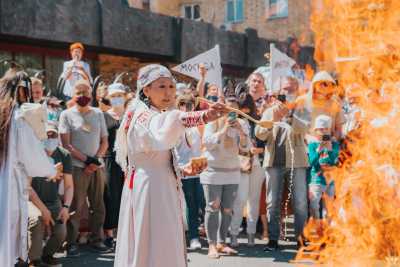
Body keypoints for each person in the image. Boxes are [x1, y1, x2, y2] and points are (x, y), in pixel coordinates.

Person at [113, 64, 227, 267]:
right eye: (161, 86)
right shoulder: (144, 115)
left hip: (157, 182)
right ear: (146, 90)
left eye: (171, 86)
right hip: (151, 188)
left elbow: (156, 151)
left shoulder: (149, 112)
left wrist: (182, 170)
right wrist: (205, 116)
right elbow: (167, 125)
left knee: (161, 237)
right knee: (156, 239)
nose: (168, 92)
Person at [0, 70, 58, 267]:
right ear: (22, 91)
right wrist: (51, 170)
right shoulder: (18, 119)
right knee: (7, 237)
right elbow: (32, 157)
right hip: (9, 186)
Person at [255, 77, 309, 251]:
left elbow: (305, 129)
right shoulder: (270, 111)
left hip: (297, 162)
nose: (286, 94)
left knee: (300, 201)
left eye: (289, 91)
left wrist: (290, 116)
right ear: (277, 95)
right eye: (282, 92)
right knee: (272, 202)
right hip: (274, 162)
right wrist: (271, 122)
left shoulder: (300, 109)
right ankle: (272, 239)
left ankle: (301, 239)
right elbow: (259, 134)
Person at [59, 79, 109, 256]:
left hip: (96, 167)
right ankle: (70, 242)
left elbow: (104, 141)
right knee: (76, 206)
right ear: (73, 95)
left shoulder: (98, 114)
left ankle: (97, 239)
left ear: (91, 95)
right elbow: (66, 145)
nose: (82, 96)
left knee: (98, 205)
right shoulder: (66, 115)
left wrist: (95, 161)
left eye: (85, 92)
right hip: (77, 167)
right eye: (78, 93)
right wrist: (88, 161)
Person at [201, 95, 249, 258]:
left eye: (233, 110)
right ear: (221, 108)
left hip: (232, 172)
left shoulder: (242, 124)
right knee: (213, 207)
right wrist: (223, 129)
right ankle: (212, 245)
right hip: (213, 171)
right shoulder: (212, 121)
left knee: (228, 210)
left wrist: (241, 132)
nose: (229, 113)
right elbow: (207, 143)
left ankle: (222, 243)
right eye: (227, 109)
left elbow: (245, 148)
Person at [28, 123, 74, 267]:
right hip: (33, 200)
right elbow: (27, 187)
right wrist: (43, 209)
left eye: (53, 135)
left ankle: (47, 255)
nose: (50, 138)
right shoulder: (32, 153)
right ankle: (34, 260)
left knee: (61, 230)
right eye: (47, 135)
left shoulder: (64, 155)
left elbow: (69, 185)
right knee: (38, 221)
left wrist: (66, 207)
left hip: (53, 200)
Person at [229, 92, 266, 248]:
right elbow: (239, 146)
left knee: (254, 200)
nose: (243, 111)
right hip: (241, 165)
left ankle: (251, 233)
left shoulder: (253, 122)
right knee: (241, 199)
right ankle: (234, 233)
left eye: (246, 107)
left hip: (257, 165)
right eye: (240, 107)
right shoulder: (232, 123)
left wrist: (256, 149)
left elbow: (261, 145)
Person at [174, 93, 205, 250]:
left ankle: (203, 234)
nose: (187, 107)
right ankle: (193, 237)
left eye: (190, 104)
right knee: (190, 204)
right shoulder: (176, 125)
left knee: (203, 203)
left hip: (200, 170)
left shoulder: (198, 125)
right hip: (184, 171)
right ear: (179, 106)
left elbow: (203, 145)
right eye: (183, 104)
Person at [102, 83, 127, 248]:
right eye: (114, 96)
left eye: (120, 95)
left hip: (128, 159)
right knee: (111, 195)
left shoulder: (130, 115)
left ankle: (124, 232)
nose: (117, 98)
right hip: (110, 158)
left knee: (127, 195)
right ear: (109, 98)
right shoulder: (103, 116)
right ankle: (109, 232)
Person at [308, 115, 339, 220]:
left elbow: (334, 162)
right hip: (316, 179)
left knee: (328, 209)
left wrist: (330, 150)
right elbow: (312, 162)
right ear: (316, 130)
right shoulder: (312, 144)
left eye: (326, 129)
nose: (324, 132)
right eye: (321, 129)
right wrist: (318, 150)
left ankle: (327, 230)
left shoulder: (334, 144)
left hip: (330, 181)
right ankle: (316, 225)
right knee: (313, 205)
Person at [298, 71, 345, 141]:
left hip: (329, 146)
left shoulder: (335, 103)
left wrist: (333, 140)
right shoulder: (302, 101)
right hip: (307, 147)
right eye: (323, 84)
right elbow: (298, 128)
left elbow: (338, 129)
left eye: (330, 84)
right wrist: (311, 139)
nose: (325, 87)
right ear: (314, 85)